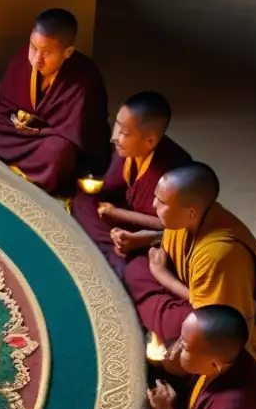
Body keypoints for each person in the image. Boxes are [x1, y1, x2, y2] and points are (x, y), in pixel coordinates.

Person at [124, 162, 256, 355]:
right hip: (195, 290)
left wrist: (162, 276)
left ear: (191, 212)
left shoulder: (220, 255)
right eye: (155, 197)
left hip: (219, 316)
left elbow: (216, 321)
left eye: (162, 202)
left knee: (174, 327)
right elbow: (172, 248)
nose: (153, 205)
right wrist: (147, 239)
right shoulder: (187, 218)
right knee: (135, 267)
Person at [0, 8, 110, 195]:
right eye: (33, 48)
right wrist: (16, 118)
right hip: (21, 129)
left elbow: (82, 133)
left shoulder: (86, 77)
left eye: (46, 53)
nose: (36, 59)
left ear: (68, 52)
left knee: (59, 155)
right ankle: (30, 163)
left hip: (52, 138)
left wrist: (40, 131)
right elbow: (6, 101)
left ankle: (22, 158)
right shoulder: (25, 57)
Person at [71, 91, 191, 275]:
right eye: (117, 126)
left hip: (153, 233)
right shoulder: (128, 153)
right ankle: (116, 252)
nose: (114, 137)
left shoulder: (173, 173)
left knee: (145, 269)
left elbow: (173, 226)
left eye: (124, 133)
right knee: (83, 202)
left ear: (150, 141)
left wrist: (118, 214)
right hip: (125, 215)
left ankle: (119, 258)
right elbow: (110, 188)